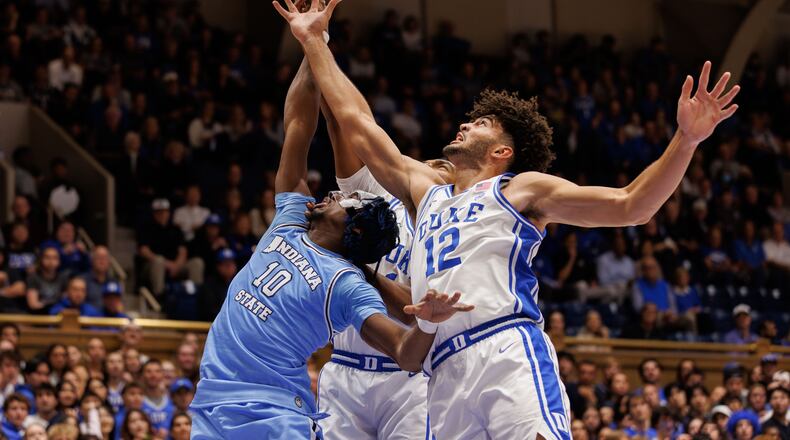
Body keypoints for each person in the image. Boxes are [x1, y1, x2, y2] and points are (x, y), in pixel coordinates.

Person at [275, 2, 738, 438]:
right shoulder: (426, 192)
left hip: (505, 349)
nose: (465, 123)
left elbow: (632, 205)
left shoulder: (521, 188)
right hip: (442, 366)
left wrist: (686, 139)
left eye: (481, 124)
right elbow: (357, 122)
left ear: (502, 152)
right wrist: (315, 40)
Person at [190, 54, 471, 439]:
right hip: (243, 390)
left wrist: (413, 310)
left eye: (441, 169)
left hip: (373, 384)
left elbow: (410, 325)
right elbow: (314, 125)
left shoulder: (441, 234)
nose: (335, 195)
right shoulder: (317, 212)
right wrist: (313, 44)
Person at [316, 59, 456, 439]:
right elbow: (341, 122)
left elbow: (416, 313)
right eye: (426, 162)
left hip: (407, 377)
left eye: (442, 167)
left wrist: (362, 270)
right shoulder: (373, 194)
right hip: (345, 366)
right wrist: (317, 47)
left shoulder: (453, 228)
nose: (428, 166)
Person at [26, 245, 70, 313]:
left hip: (57, 315)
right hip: (39, 315)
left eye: (55, 258)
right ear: (41, 259)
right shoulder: (33, 278)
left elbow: (65, 301)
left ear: (59, 261)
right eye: (47, 257)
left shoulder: (63, 278)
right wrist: (51, 307)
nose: (51, 261)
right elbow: (33, 304)